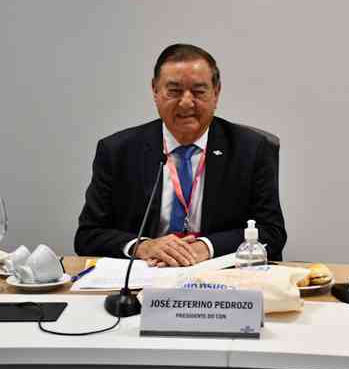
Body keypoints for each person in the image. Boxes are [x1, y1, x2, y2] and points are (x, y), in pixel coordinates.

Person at [75, 44, 286, 266]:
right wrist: (144, 246)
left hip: (220, 280)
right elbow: (87, 236)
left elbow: (271, 233)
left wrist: (207, 246)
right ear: (155, 91)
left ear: (216, 93)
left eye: (198, 91)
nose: (186, 102)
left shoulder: (251, 149)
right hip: (145, 277)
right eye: (174, 91)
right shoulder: (117, 151)